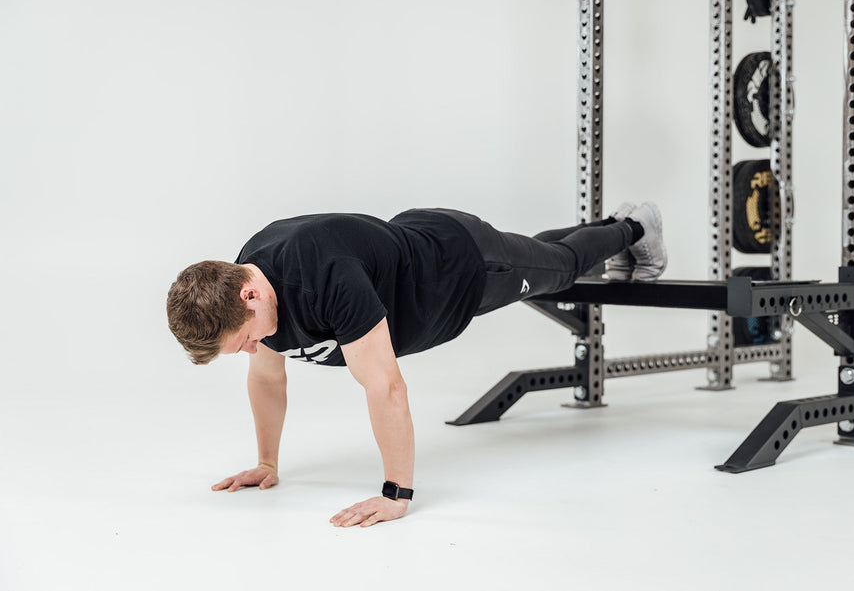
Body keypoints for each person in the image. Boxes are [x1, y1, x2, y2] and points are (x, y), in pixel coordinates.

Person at [166, 202, 667, 528]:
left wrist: (396, 494)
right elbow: (267, 380)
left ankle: (635, 225)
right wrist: (267, 464)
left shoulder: (326, 279)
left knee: (557, 268)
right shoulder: (243, 280)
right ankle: (604, 233)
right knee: (542, 259)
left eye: (248, 339)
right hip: (413, 249)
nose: (255, 350)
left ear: (248, 294)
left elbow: (387, 388)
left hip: (460, 266)